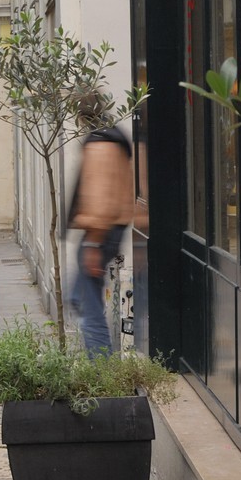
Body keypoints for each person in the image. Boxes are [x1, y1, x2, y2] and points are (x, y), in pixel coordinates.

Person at [66, 121, 135, 356]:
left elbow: (100, 199)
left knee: (88, 307)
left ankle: (102, 371)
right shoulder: (115, 140)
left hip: (99, 233)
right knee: (77, 297)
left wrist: (94, 244)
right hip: (111, 230)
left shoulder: (100, 144)